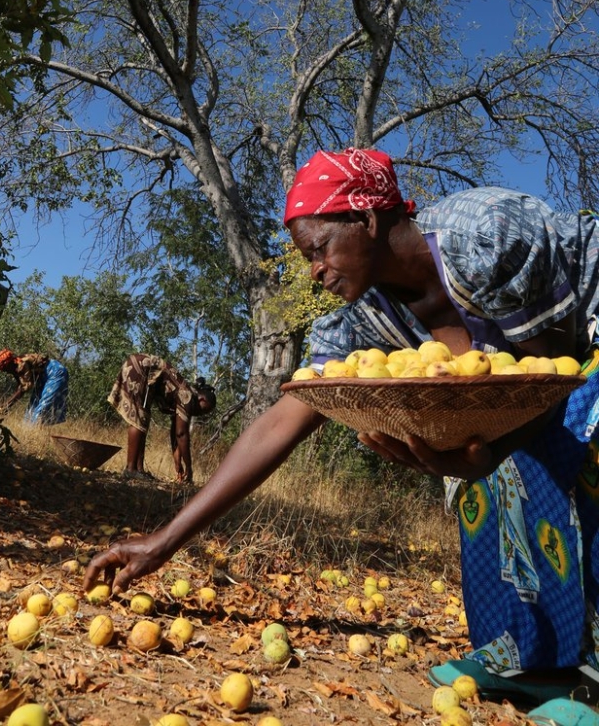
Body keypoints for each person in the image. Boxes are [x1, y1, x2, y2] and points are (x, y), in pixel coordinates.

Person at [84, 148, 599, 726]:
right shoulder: (359, 316)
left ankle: (593, 680)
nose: (315, 271)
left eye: (319, 249)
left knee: (579, 441)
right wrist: (163, 542)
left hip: (585, 340)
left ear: (367, 219)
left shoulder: (487, 235)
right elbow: (285, 417)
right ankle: (529, 658)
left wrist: (491, 454)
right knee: (481, 480)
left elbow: (551, 378)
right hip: (531, 388)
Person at [108, 352, 217, 483]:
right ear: (202, 399)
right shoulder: (187, 396)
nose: (200, 414)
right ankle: (130, 469)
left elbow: (175, 433)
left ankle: (139, 469)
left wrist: (177, 463)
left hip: (141, 368)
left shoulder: (185, 395)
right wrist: (189, 468)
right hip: (141, 368)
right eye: (204, 410)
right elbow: (182, 434)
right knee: (138, 419)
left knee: (143, 420)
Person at [0, 349, 69, 425]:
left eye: (5, 369)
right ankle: (27, 429)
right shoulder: (15, 367)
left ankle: (35, 429)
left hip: (55, 373)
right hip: (42, 378)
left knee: (43, 407)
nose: (6, 372)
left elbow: (23, 389)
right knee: (31, 410)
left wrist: (7, 405)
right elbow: (20, 385)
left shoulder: (22, 365)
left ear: (10, 364)